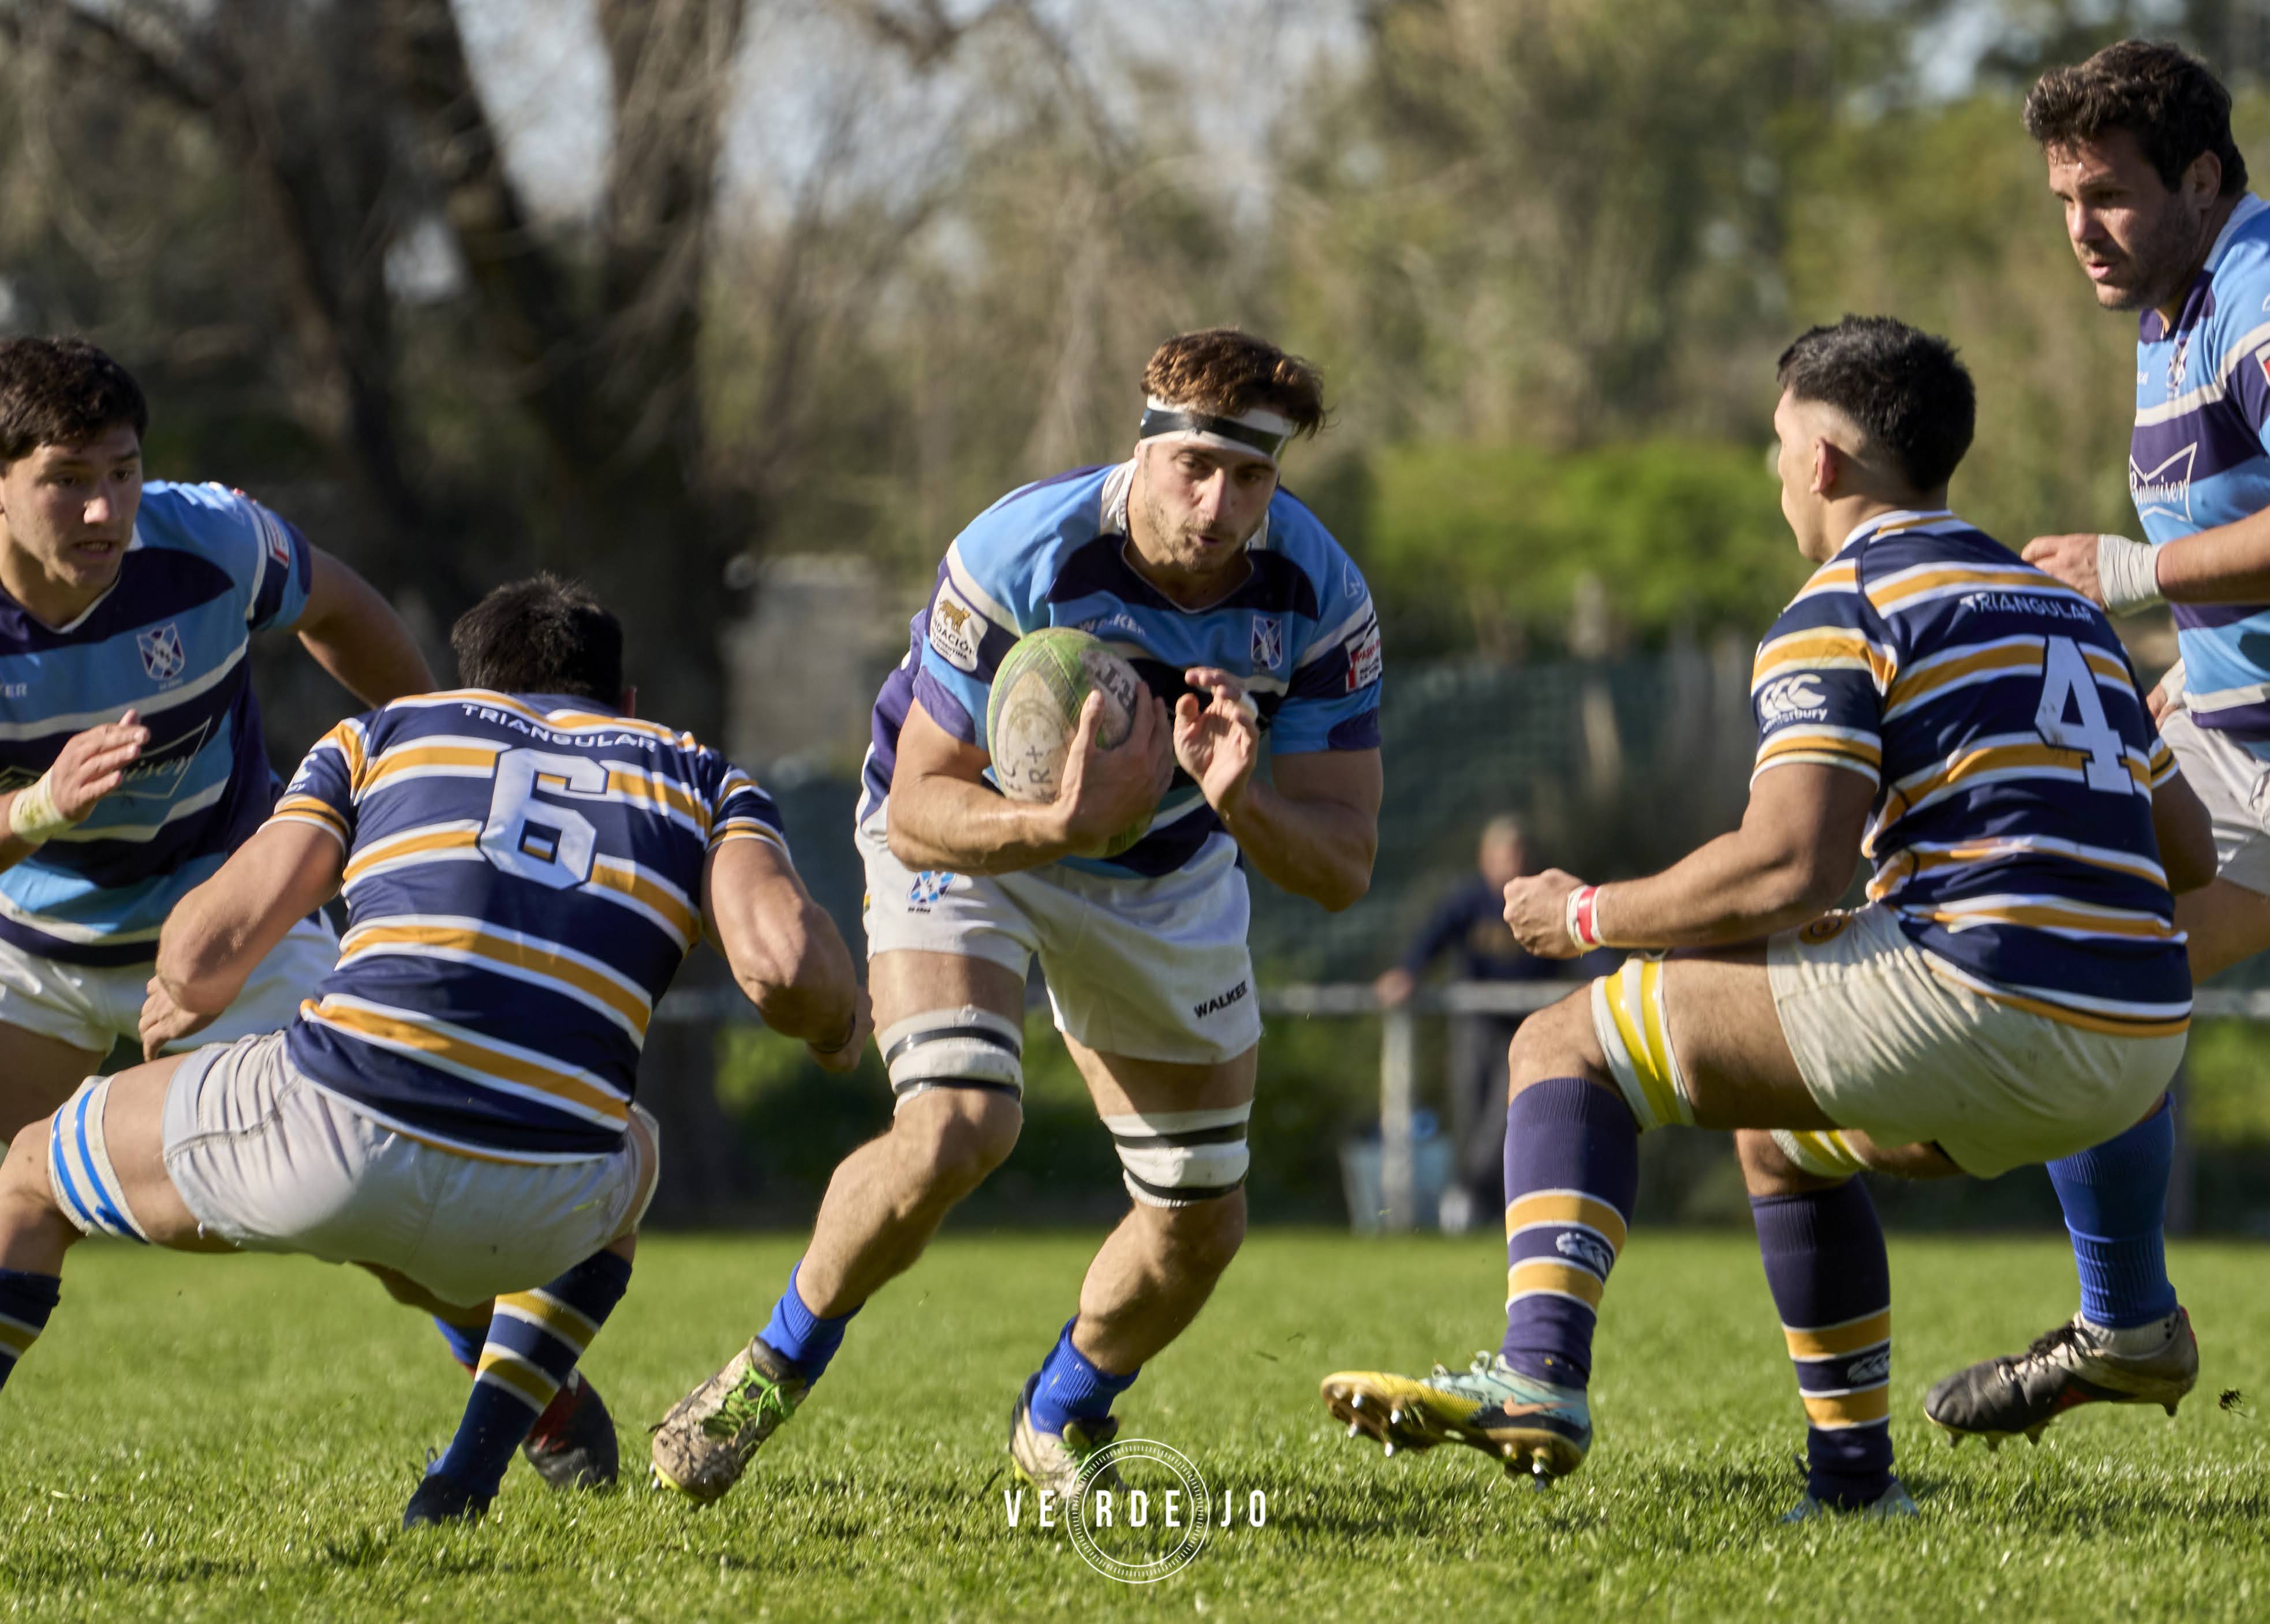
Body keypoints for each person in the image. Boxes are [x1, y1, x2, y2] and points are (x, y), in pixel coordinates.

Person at [1317, 315, 2213, 1522]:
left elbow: (1785, 866)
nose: (1772, 468)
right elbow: (2188, 851)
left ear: (1826, 460)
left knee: (1562, 1043)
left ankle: (1536, 1372)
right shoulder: (2066, 614)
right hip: (2137, 1050)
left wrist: (1588, 910)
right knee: (1782, 1137)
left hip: (1979, 1004)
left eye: (1776, 441)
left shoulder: (1843, 598)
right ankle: (1853, 1488)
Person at [649, 327, 1384, 1503]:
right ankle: (768, 1368)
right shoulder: (1021, 549)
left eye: (1250, 476)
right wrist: (1051, 826)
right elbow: (918, 800)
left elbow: (1343, 862)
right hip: (977, 833)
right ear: (1143, 445)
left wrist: (1242, 797)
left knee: (1199, 1222)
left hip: (1167, 874)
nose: (1217, 502)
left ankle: (1059, 1411)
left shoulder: (1318, 597)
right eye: (1194, 465)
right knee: (958, 1123)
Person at [0, 576, 868, 1528]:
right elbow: (784, 963)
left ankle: (488, 1439)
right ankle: (465, 1475)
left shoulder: (386, 733)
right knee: (634, 1147)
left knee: (30, 1174)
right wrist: (837, 1031)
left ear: (479, 688)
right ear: (624, 705)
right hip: (542, 1206)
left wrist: (181, 982)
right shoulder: (699, 776)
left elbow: (205, 951)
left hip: (326, 1143)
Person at [1926, 39, 2265, 1444]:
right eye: (2061, 198)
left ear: (2198, 177)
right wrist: (2164, 673)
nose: (2077, 229)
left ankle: (2124, 1318)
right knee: (2084, 965)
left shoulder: (2251, 293)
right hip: (2236, 732)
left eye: (2106, 196)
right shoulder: (2173, 308)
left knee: (2078, 966)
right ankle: (2122, 1319)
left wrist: (2128, 577)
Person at [1375, 815, 1569, 1227]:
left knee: (1506, 1117)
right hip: (1475, 1026)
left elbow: (1578, 939)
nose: (1512, 861)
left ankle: (1475, 1196)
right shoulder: (1467, 901)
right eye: (1503, 853)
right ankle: (1474, 1204)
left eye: (1518, 852)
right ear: (1486, 859)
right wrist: (1408, 971)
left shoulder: (1543, 897)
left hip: (1525, 1030)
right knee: (1470, 1114)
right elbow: (1433, 937)